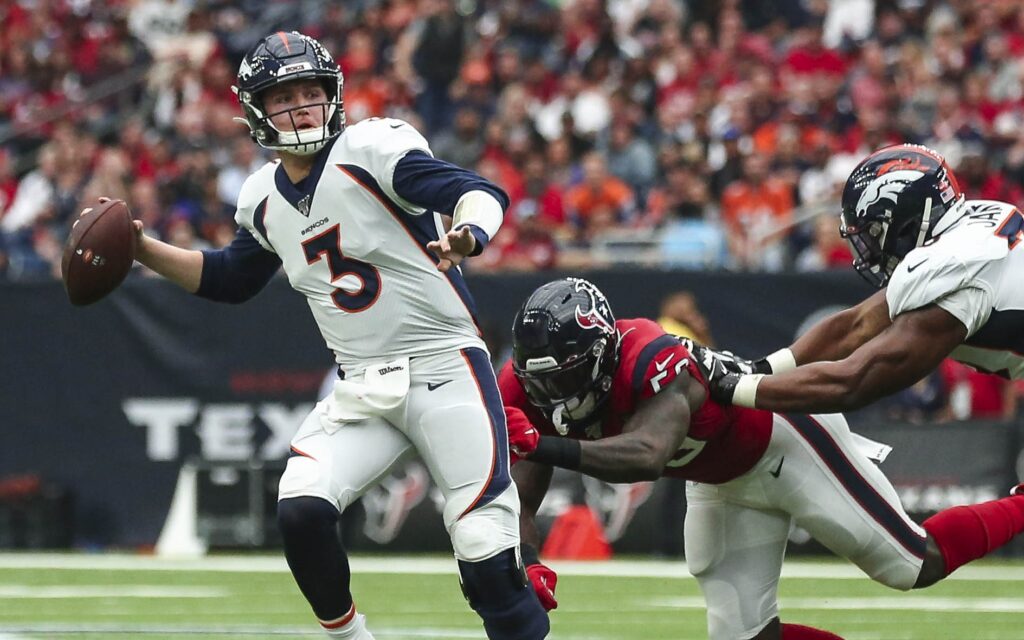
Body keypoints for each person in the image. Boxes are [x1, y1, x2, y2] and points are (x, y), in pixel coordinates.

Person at [122, 31, 548, 640]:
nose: (299, 107)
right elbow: (230, 278)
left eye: (309, 92)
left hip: (443, 365)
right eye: (282, 96)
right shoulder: (262, 197)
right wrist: (142, 248)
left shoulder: (372, 149)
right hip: (362, 386)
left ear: (333, 96)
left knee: (486, 552)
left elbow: (477, 191)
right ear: (255, 110)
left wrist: (469, 234)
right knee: (300, 509)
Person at [497, 277, 1024, 640]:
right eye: (540, 381)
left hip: (784, 438)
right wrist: (529, 557)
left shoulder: (652, 356)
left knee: (911, 562)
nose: (553, 394)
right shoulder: (528, 382)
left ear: (602, 355)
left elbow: (646, 455)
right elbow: (524, 482)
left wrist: (541, 443)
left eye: (565, 377)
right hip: (716, 480)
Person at [695, 144, 1024, 415]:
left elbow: (852, 383)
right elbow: (857, 324)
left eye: (875, 231)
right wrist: (758, 370)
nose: (868, 248)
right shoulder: (968, 227)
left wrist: (730, 388)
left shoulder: (956, 270)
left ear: (909, 221)